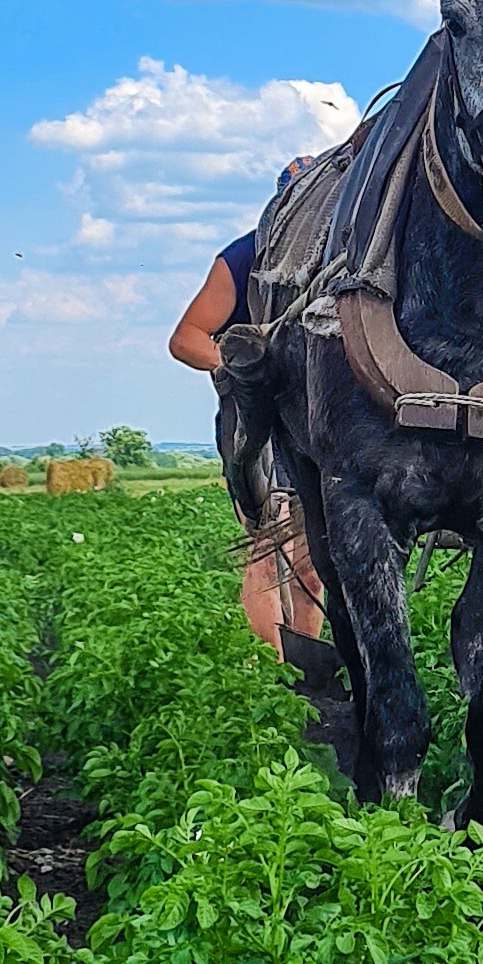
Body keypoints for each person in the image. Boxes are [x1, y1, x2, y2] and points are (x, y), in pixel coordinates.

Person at [170, 160, 326, 656]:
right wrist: (244, 365)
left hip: (314, 422)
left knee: (311, 564)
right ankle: (274, 672)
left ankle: (309, 673)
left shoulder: (343, 259)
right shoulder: (244, 257)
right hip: (254, 422)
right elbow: (186, 338)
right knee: (265, 553)